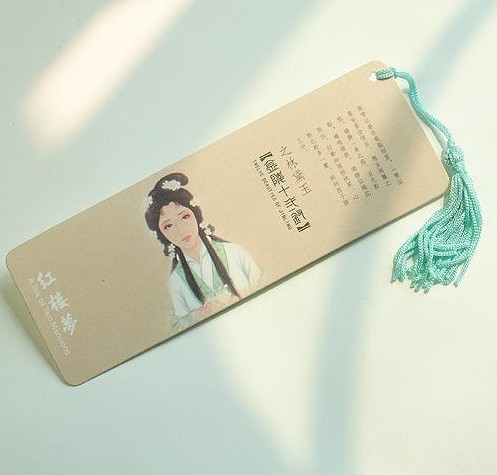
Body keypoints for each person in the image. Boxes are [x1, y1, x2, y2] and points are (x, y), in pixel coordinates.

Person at [145, 172, 262, 332]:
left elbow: (264, 285)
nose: (180, 229)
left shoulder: (234, 252)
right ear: (162, 234)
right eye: (168, 226)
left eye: (184, 217)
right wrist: (199, 315)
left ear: (196, 215)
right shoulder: (176, 281)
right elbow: (178, 327)